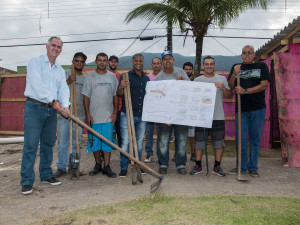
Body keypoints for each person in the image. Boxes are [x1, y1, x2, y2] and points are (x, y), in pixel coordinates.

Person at [20, 36, 70, 195]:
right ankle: (27, 181)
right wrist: (54, 101)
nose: (56, 48)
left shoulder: (60, 70)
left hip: (51, 110)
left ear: (61, 50)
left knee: (48, 144)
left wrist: (66, 106)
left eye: (59, 47)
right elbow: (37, 85)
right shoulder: (35, 62)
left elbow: (63, 89)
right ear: (47, 46)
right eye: (53, 45)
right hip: (35, 107)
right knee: (31, 145)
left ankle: (46, 174)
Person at [227, 45, 270, 177]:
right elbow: (230, 85)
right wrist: (235, 73)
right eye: (244, 53)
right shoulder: (237, 67)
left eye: (249, 53)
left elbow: (264, 85)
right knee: (241, 139)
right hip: (241, 110)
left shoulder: (261, 66)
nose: (246, 55)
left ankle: (253, 167)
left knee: (255, 139)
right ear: (241, 55)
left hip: (257, 108)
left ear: (254, 54)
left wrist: (245, 91)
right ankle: (241, 166)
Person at [190, 56, 232, 177]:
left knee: (219, 142)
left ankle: (217, 166)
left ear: (214, 65)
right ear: (203, 66)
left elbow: (229, 95)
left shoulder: (221, 79)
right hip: (201, 116)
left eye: (211, 64)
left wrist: (223, 87)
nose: (209, 66)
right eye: (206, 64)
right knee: (198, 142)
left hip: (218, 116)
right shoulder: (197, 80)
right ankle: (198, 165)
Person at [81, 52, 118, 178]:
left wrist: (115, 112)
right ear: (96, 61)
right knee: (94, 142)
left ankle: (107, 166)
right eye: (100, 60)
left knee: (108, 142)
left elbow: (115, 96)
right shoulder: (89, 77)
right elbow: (86, 97)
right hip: (94, 117)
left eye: (104, 60)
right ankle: (98, 164)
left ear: (107, 62)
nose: (102, 62)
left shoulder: (112, 77)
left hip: (108, 116)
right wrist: (88, 114)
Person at [155, 51, 190, 175]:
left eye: (169, 58)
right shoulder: (159, 77)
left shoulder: (181, 72)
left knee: (181, 139)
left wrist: (183, 83)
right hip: (165, 115)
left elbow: (190, 91)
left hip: (180, 114)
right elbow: (157, 98)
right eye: (165, 59)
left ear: (173, 60)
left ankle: (181, 164)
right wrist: (164, 116)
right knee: (163, 141)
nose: (167, 61)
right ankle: (163, 164)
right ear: (162, 62)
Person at [53, 52, 87, 178]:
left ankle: (74, 166)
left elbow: (86, 97)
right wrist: (67, 81)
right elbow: (56, 89)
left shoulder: (85, 78)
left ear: (84, 64)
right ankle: (61, 167)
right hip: (64, 114)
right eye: (77, 60)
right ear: (73, 61)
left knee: (76, 142)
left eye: (82, 61)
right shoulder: (65, 73)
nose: (79, 63)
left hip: (79, 115)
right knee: (62, 142)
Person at [117, 53, 149, 177]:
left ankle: (137, 164)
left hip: (142, 115)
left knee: (139, 142)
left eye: (140, 60)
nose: (138, 62)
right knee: (125, 142)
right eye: (136, 60)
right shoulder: (126, 76)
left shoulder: (146, 79)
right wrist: (121, 86)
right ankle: (124, 167)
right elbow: (119, 93)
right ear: (132, 62)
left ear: (143, 62)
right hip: (127, 114)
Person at [144, 57, 162, 163]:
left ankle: (160, 154)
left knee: (161, 133)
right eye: (154, 63)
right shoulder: (147, 77)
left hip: (161, 110)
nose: (156, 65)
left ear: (161, 64)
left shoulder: (165, 76)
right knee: (149, 132)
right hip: (150, 109)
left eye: (158, 63)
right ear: (151, 65)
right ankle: (149, 153)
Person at [108, 55, 122, 147]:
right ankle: (103, 157)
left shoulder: (121, 76)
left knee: (120, 133)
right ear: (109, 62)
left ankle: (124, 156)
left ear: (118, 63)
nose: (113, 63)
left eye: (115, 62)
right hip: (107, 109)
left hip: (120, 108)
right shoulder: (105, 75)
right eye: (112, 61)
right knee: (106, 134)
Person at [183, 62, 196, 162]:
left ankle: (193, 153)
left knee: (192, 135)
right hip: (181, 111)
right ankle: (178, 153)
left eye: (189, 69)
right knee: (179, 135)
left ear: (192, 70)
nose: (188, 71)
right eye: (186, 69)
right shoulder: (179, 81)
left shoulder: (196, 81)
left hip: (191, 111)